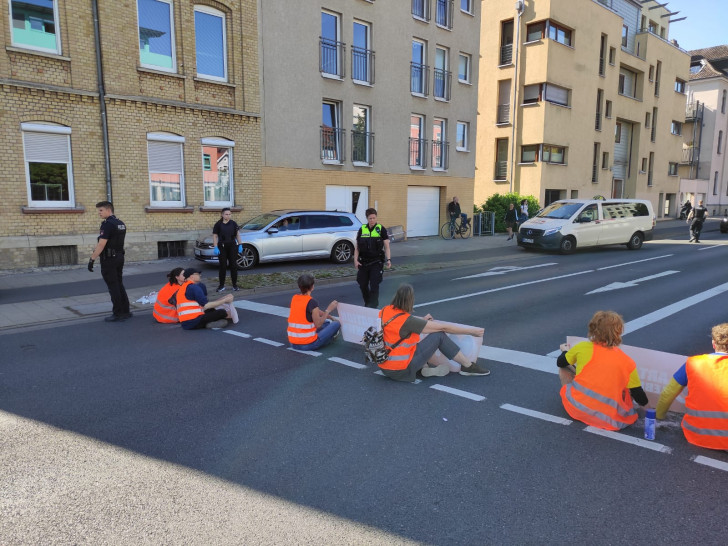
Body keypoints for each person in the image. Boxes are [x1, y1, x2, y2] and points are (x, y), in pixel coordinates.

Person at [556, 311, 648, 430]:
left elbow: (560, 362)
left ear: (592, 328)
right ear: (618, 332)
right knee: (627, 389)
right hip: (609, 418)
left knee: (564, 369)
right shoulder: (627, 362)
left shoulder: (582, 347)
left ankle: (572, 401)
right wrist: (651, 412)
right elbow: (639, 395)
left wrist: (565, 351)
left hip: (579, 409)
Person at [378, 283, 490, 382]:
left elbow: (399, 326)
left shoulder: (385, 310)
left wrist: (421, 320)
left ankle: (424, 368)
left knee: (412, 344)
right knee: (439, 335)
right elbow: (444, 328)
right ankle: (467, 366)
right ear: (410, 300)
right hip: (401, 369)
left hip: (385, 366)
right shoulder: (407, 321)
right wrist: (471, 331)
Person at [656, 323, 728, 450]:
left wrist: (659, 416)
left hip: (695, 434)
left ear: (713, 343)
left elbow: (668, 393)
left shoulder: (693, 363)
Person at [88, 201, 131, 322]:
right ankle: (125, 311)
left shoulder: (107, 225)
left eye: (101, 210)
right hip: (119, 257)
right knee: (119, 284)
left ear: (108, 209)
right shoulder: (120, 223)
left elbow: (101, 244)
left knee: (113, 286)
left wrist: (92, 259)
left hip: (109, 259)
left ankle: (117, 313)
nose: (99, 213)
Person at [287, 273, 340, 350]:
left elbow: (317, 311)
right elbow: (318, 324)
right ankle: (328, 340)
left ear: (299, 286)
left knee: (327, 323)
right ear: (312, 287)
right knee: (336, 324)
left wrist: (331, 317)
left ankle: (325, 336)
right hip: (308, 344)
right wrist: (328, 310)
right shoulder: (312, 302)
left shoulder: (294, 298)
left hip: (293, 343)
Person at [354, 208, 391, 308]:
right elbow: (357, 247)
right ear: (367, 218)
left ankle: (373, 307)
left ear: (376, 217)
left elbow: (387, 246)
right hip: (363, 262)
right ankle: (368, 303)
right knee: (362, 284)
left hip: (376, 262)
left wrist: (388, 259)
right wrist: (355, 260)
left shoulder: (381, 229)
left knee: (374, 285)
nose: (372, 220)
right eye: (370, 218)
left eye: (374, 218)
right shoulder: (362, 229)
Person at [212, 208, 243, 292]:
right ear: (222, 215)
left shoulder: (233, 223)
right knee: (223, 266)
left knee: (233, 265)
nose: (228, 216)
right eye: (226, 214)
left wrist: (240, 245)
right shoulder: (218, 224)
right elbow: (215, 236)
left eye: (229, 214)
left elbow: (237, 235)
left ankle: (234, 285)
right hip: (222, 246)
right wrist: (215, 247)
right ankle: (221, 286)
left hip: (232, 246)